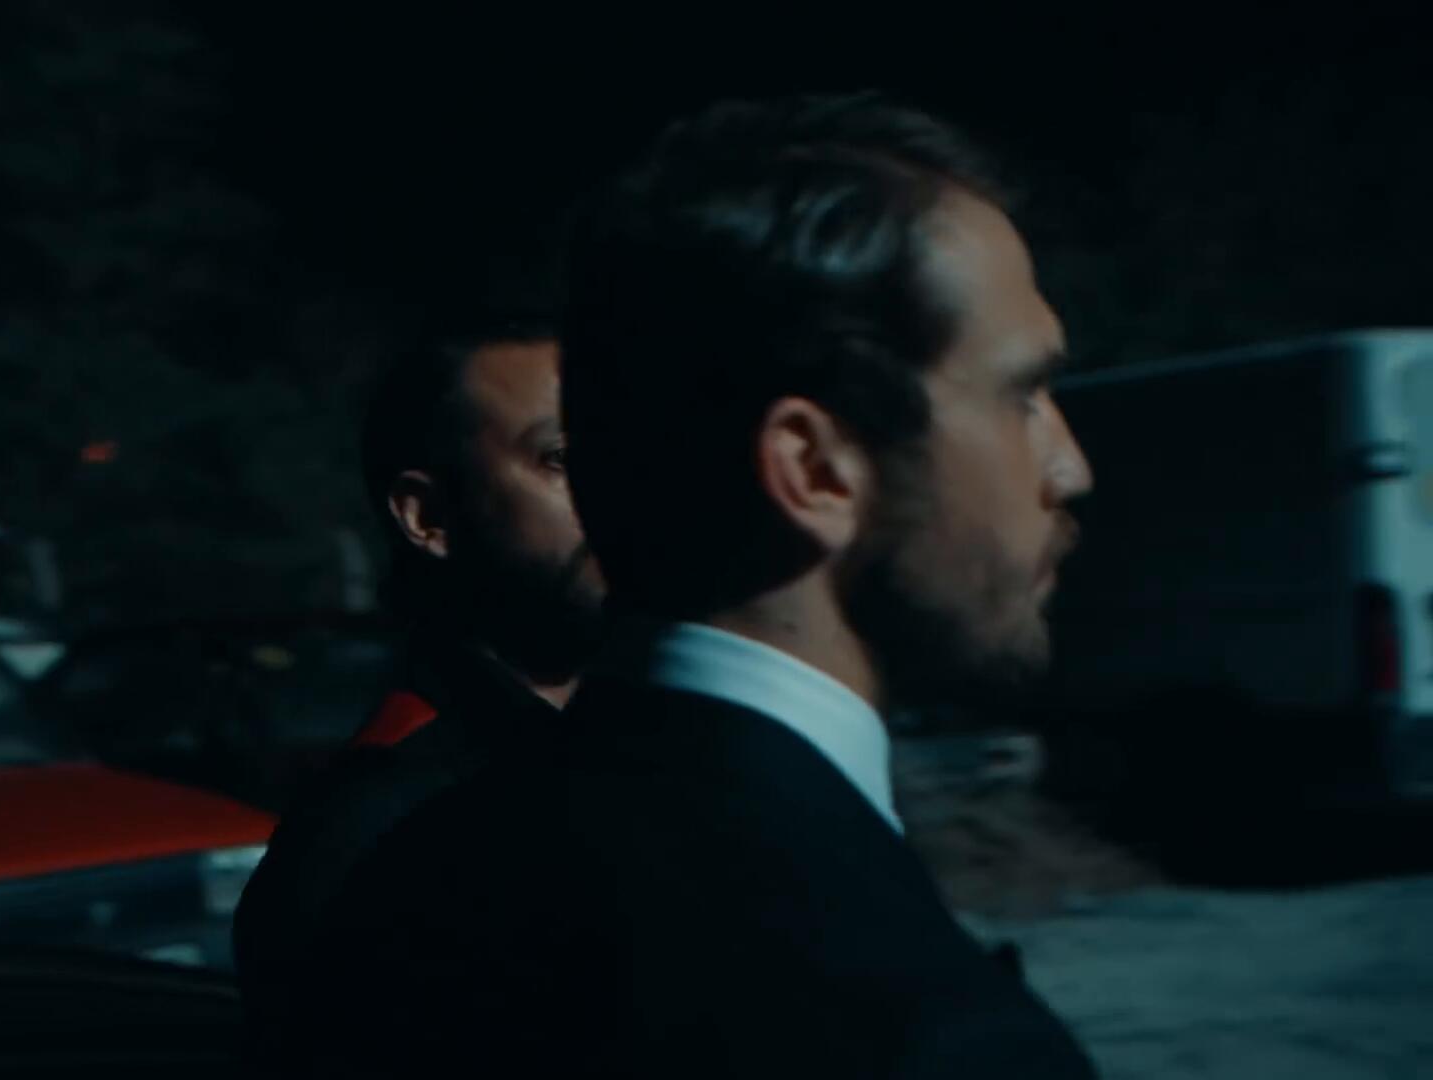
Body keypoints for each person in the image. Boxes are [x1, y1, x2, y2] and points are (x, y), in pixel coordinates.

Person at [294, 95, 1100, 1078]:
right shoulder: (924, 1033)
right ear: (815, 469)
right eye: (1022, 394)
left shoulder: (407, 886)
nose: (1069, 467)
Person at [233, 314, 608, 1047]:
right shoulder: (377, 833)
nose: (621, 495)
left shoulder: (657, 740)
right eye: (563, 458)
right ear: (428, 517)